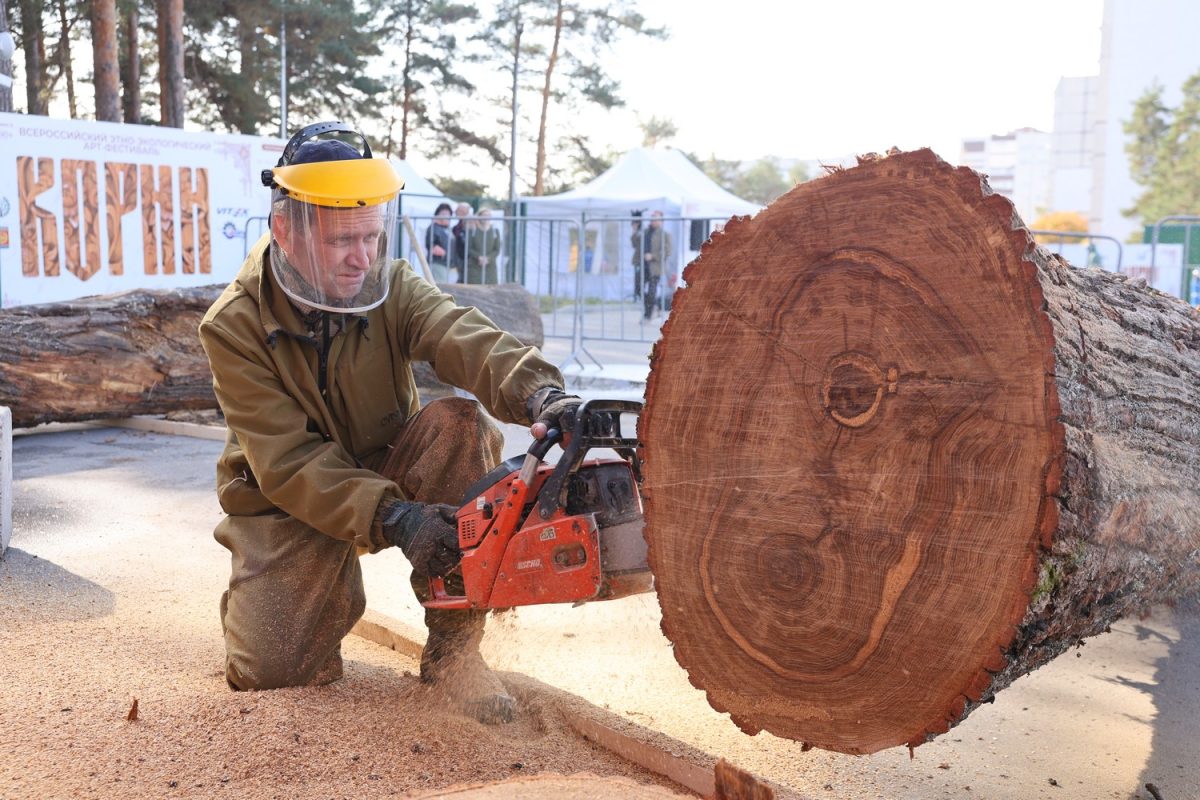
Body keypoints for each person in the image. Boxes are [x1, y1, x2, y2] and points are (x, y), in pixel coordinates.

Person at [198, 121, 580, 725]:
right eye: (341, 241)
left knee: (458, 424)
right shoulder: (234, 325)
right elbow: (287, 461)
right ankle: (303, 589)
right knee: (274, 674)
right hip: (285, 498)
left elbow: (461, 335)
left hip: (384, 459)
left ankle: (456, 654)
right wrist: (394, 517)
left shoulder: (389, 285)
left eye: (372, 238)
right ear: (285, 231)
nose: (363, 257)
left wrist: (541, 394)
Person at [641, 210, 673, 321]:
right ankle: (655, 306)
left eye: (656, 218)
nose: (653, 220)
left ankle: (648, 314)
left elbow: (668, 251)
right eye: (652, 218)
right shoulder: (645, 232)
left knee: (651, 290)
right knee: (638, 289)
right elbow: (636, 244)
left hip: (656, 267)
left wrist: (653, 256)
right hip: (642, 266)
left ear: (661, 221)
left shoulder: (665, 234)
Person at [466, 207, 501, 284]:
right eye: (484, 215)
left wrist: (488, 258)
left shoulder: (495, 231)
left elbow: (497, 249)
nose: (486, 217)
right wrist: (479, 257)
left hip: (490, 268)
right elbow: (468, 248)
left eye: (488, 215)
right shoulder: (472, 231)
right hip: (475, 267)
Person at [424, 202, 453, 282]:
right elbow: (431, 244)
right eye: (443, 213)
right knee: (439, 287)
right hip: (437, 263)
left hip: (446, 264)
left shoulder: (447, 229)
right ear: (437, 215)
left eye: (448, 214)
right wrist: (438, 250)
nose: (446, 216)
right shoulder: (434, 228)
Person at [451, 202, 473, 283]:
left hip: (468, 257)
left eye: (458, 210)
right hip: (459, 256)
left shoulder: (471, 223)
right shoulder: (457, 225)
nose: (456, 212)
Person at [629, 213, 643, 301]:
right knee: (637, 279)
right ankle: (637, 295)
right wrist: (634, 232)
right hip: (637, 260)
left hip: (641, 259)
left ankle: (640, 295)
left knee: (640, 279)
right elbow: (634, 245)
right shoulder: (636, 233)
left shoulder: (642, 233)